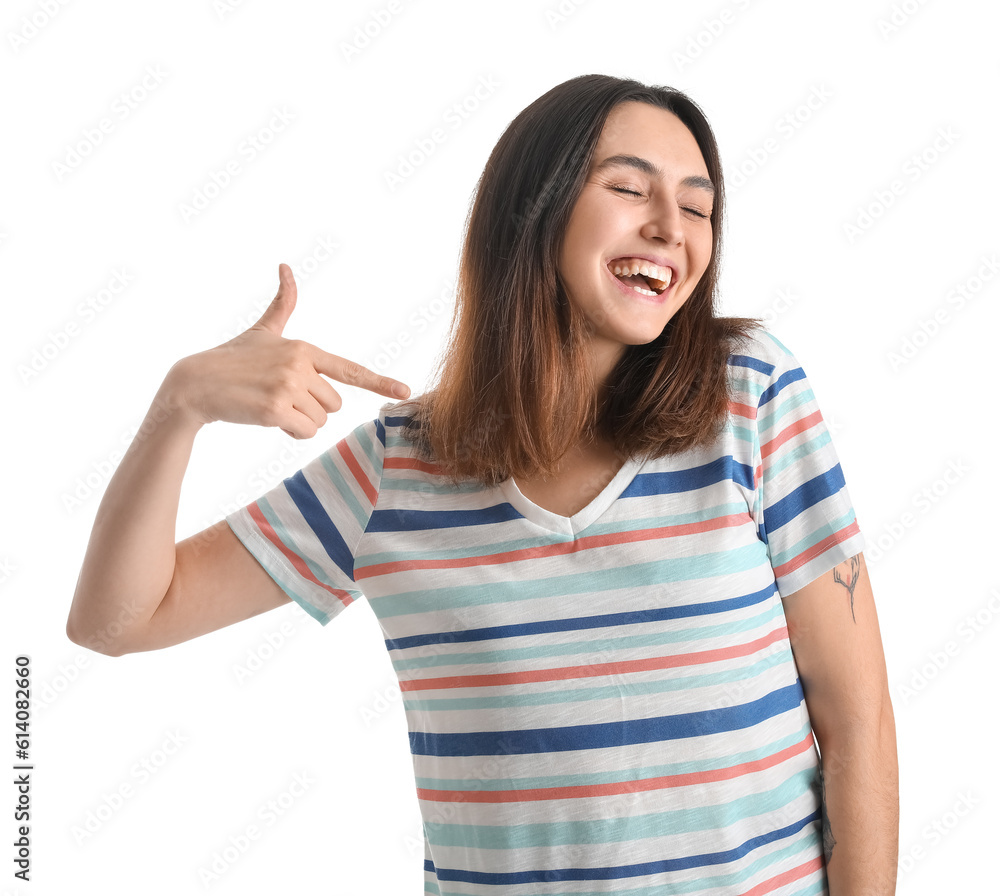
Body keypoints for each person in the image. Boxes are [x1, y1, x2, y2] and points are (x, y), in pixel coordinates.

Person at [67, 74, 898, 894]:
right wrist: (180, 406)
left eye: (697, 206)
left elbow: (856, 721)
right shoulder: (398, 469)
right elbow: (118, 619)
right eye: (628, 188)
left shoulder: (749, 394)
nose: (670, 228)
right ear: (531, 207)